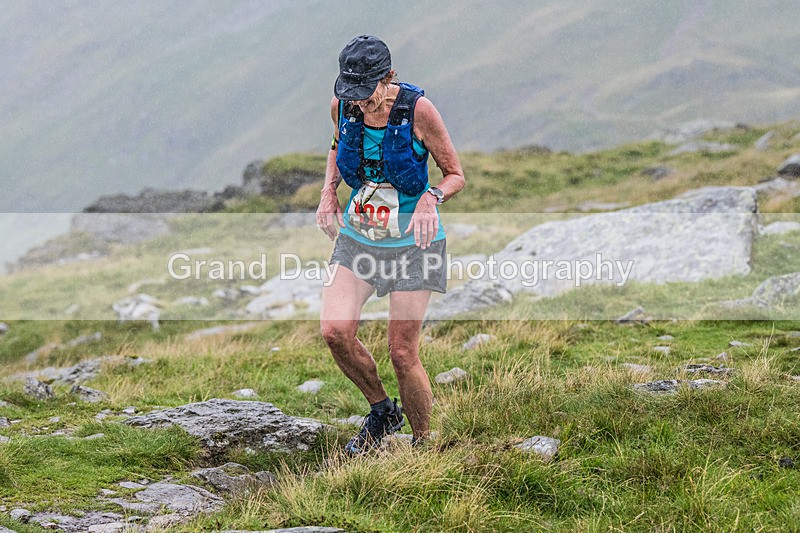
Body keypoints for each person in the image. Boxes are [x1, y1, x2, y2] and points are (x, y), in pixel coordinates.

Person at [316, 35, 465, 454]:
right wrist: (329, 192)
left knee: (401, 352)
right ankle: (382, 410)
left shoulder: (419, 110)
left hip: (414, 244)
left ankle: (423, 443)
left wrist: (429, 199)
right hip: (359, 238)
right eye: (353, 95)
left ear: (389, 78)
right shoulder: (342, 106)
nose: (360, 103)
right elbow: (334, 146)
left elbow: (455, 174)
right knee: (335, 332)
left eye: (368, 94)